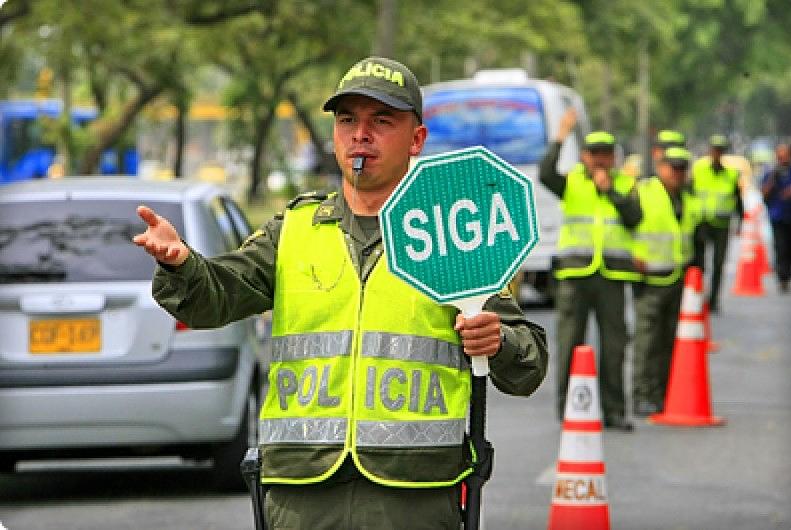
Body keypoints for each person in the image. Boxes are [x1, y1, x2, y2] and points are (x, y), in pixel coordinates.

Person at [133, 56, 548, 530]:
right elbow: (213, 299)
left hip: (412, 497)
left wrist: (497, 343)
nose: (360, 134)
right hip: (302, 495)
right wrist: (181, 263)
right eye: (348, 120)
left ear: (416, 139)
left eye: (381, 121)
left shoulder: (450, 234)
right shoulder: (294, 230)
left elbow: (528, 365)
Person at [539, 109, 642, 431]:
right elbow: (544, 173)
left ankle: (613, 410)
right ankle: (569, 408)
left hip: (612, 276)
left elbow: (634, 218)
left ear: (614, 157)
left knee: (614, 346)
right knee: (570, 343)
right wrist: (560, 135)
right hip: (575, 276)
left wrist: (609, 189)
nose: (600, 160)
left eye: (606, 155)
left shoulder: (625, 183)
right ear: (584, 156)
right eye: (594, 154)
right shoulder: (571, 181)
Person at [632, 147, 699, 416]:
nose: (678, 173)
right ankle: (642, 394)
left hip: (677, 278)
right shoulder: (645, 191)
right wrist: (633, 258)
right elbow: (625, 225)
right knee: (647, 342)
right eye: (673, 167)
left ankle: (662, 394)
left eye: (683, 168)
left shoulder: (686, 197)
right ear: (661, 167)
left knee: (669, 341)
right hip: (650, 279)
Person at [689, 134, 743, 312]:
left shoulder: (731, 174)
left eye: (720, 151)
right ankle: (697, 296)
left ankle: (713, 300)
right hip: (701, 223)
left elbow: (737, 200)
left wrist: (740, 222)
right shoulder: (699, 170)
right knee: (699, 263)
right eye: (715, 150)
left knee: (719, 263)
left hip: (722, 225)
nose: (717, 154)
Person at [760, 142, 791, 293]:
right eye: (780, 155)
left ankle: (788, 271)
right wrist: (772, 180)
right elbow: (764, 193)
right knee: (781, 245)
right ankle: (782, 276)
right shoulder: (771, 172)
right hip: (777, 215)